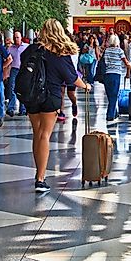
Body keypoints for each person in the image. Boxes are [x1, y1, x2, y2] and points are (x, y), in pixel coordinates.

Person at [29, 19, 91, 193]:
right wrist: (86, 85)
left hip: (32, 96)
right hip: (50, 95)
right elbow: (71, 78)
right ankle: (40, 179)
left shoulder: (33, 49)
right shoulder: (60, 54)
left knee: (37, 134)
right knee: (44, 135)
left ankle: (38, 173)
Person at [103, 34, 131, 123]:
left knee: (110, 95)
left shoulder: (106, 51)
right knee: (114, 95)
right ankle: (110, 115)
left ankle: (114, 112)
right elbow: (126, 63)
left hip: (107, 74)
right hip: (116, 74)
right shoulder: (119, 51)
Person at [6, 31, 30, 117]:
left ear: (21, 38)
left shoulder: (26, 47)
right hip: (14, 69)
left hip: (23, 70)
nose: (16, 39)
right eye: (15, 37)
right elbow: (7, 59)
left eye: (18, 37)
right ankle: (11, 108)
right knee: (12, 88)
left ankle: (23, 109)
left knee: (23, 89)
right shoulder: (10, 48)